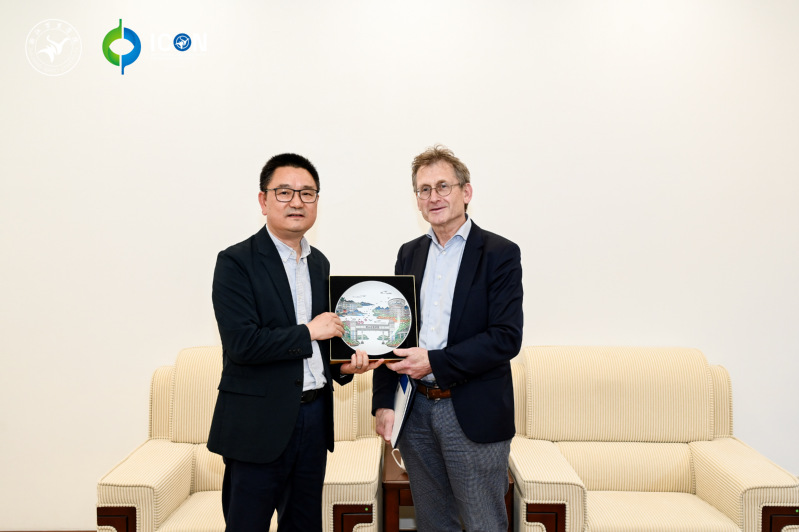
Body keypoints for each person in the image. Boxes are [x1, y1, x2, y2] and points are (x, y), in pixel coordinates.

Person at [207, 153, 382, 532]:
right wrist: (309, 332)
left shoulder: (319, 264)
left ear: (317, 201)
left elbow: (323, 342)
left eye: (307, 193)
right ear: (263, 200)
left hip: (314, 419)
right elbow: (243, 344)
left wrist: (343, 367)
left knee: (304, 525)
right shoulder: (236, 262)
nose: (297, 202)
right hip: (257, 425)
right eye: (284, 192)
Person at [372, 145, 523, 531]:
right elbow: (394, 331)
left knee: (483, 523)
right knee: (433, 523)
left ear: (466, 192)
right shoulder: (409, 254)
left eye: (443, 186)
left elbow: (506, 337)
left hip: (471, 410)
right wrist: (384, 402)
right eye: (424, 189)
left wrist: (435, 362)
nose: (433, 197)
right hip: (415, 409)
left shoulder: (499, 253)